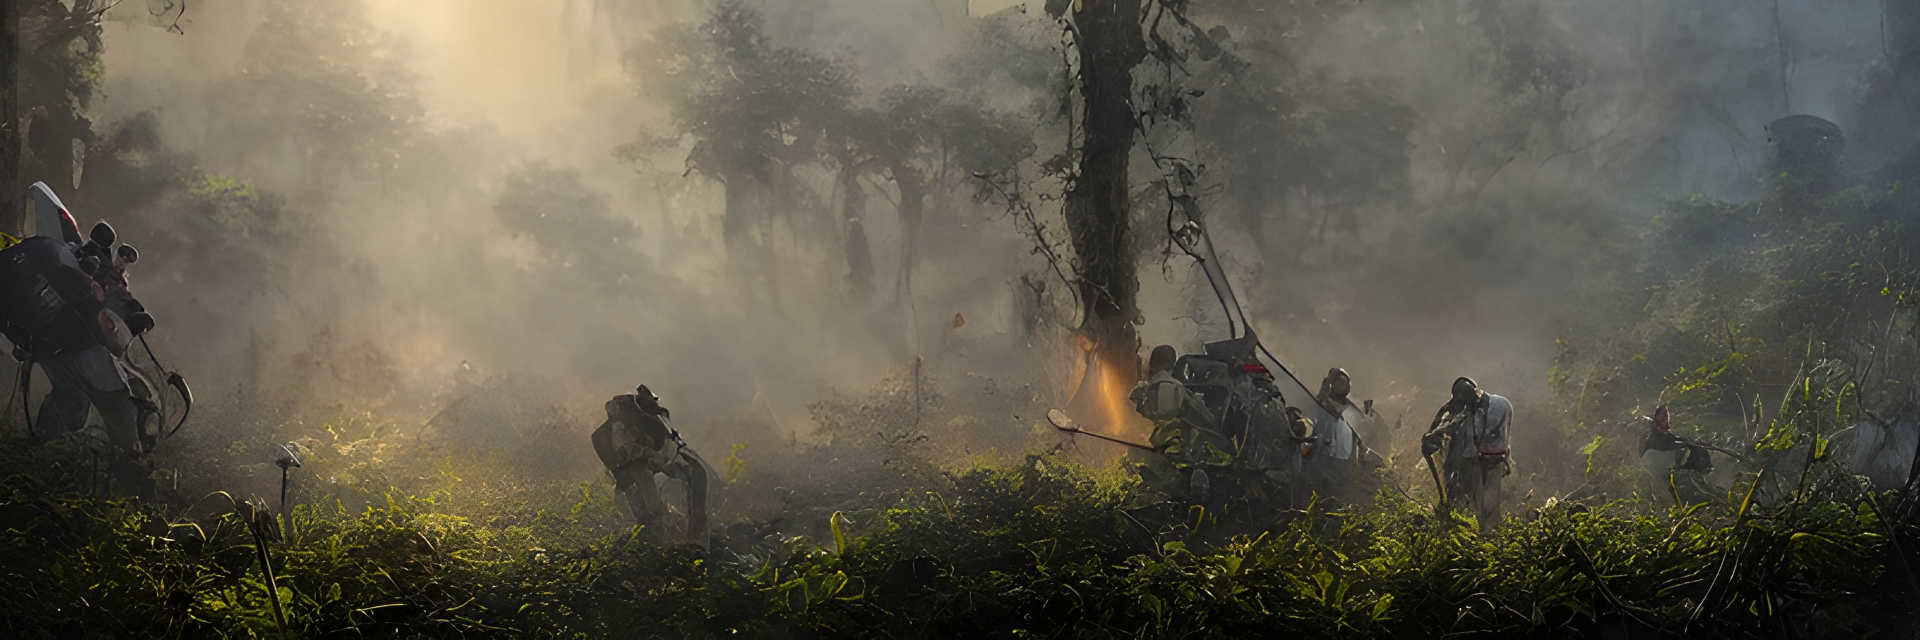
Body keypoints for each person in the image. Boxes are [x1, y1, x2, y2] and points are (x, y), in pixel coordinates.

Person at [1, 183, 149, 496]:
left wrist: (24, 343)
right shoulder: (47, 250)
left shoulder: (23, 265)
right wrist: (122, 318)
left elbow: (9, 329)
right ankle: (132, 474)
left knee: (69, 399)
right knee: (115, 400)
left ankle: (39, 465)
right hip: (81, 344)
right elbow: (87, 295)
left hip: (46, 351)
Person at [591, 385, 709, 546]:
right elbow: (629, 453)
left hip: (640, 467)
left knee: (653, 512)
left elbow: (667, 454)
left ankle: (656, 540)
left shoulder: (653, 422)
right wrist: (654, 457)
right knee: (650, 514)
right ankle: (649, 544)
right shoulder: (624, 424)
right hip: (630, 470)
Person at [1129, 345, 1223, 500]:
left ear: (1152, 363)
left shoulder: (1140, 391)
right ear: (1172, 363)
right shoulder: (1176, 388)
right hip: (1175, 458)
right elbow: (1207, 420)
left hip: (1145, 452)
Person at [1422, 377, 1512, 532]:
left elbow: (1478, 434)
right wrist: (1437, 432)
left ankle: (1485, 539)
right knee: (1476, 506)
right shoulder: (1476, 409)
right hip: (1480, 463)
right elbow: (1453, 424)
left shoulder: (1496, 407)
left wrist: (1440, 432)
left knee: (1486, 508)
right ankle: (1477, 535)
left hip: (1487, 463)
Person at [1639, 405, 1715, 505]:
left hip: (1669, 468)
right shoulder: (1652, 435)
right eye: (1663, 414)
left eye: (1667, 414)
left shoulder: (1666, 433)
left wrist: (1694, 443)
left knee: (1695, 450)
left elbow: (1677, 440)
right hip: (1659, 469)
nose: (1666, 417)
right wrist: (1685, 444)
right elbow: (1662, 445)